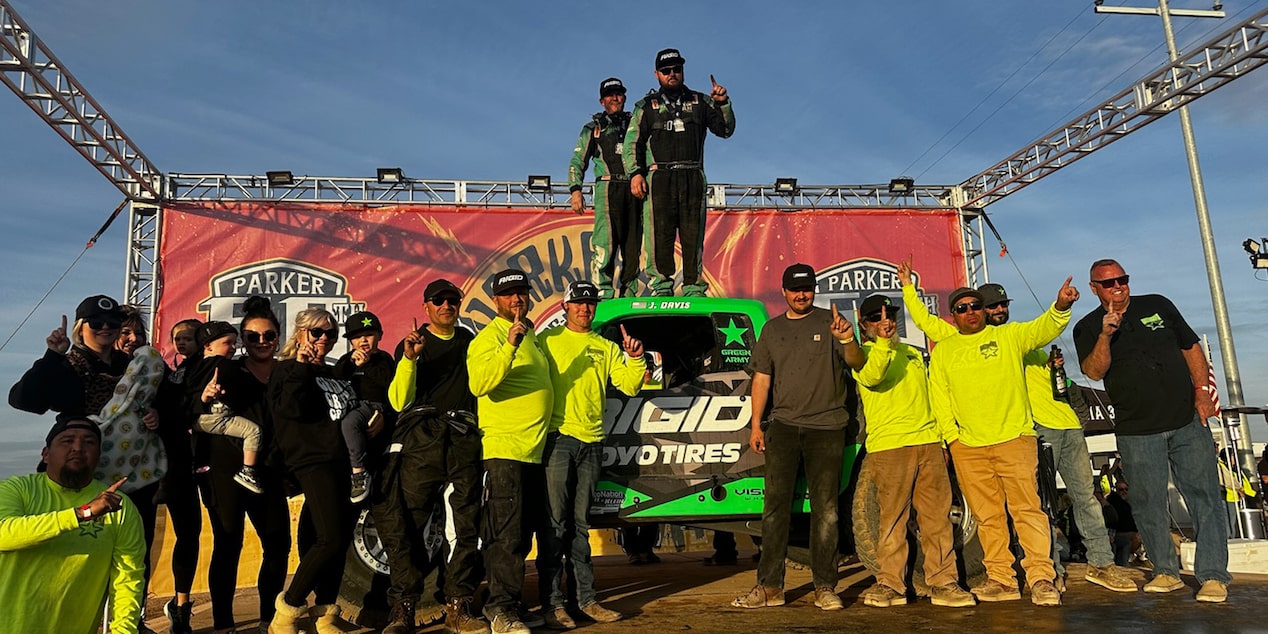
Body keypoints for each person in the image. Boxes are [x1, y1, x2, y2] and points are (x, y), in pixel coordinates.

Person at [1072, 259, 1230, 603]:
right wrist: (1106, 334)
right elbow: (1094, 372)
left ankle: (1213, 576)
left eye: (1122, 279)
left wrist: (1203, 392)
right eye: (1109, 282)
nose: (1118, 286)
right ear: (1094, 288)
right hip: (1137, 430)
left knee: (1204, 496)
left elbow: (1190, 347)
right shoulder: (1086, 327)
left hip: (1186, 420)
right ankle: (1166, 572)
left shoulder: (1158, 304)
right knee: (1146, 504)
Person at [925, 277, 1079, 607]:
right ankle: (1002, 579)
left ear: (984, 311)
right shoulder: (945, 351)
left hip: (1014, 440)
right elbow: (939, 397)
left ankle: (1041, 579)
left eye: (975, 306)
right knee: (988, 517)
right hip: (969, 447)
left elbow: (1043, 329)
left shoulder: (1009, 336)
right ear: (953, 316)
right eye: (962, 308)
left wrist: (1061, 306)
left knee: (1027, 510)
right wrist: (952, 439)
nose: (970, 312)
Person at [976, 282, 1137, 594]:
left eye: (1003, 304)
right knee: (1042, 505)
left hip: (1067, 426)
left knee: (1087, 498)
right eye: (992, 306)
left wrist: (1074, 408)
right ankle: (1049, 570)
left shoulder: (1027, 341)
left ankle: (1102, 564)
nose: (999, 310)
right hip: (1034, 429)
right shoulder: (990, 347)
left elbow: (1065, 386)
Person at [843, 293, 976, 609]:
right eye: (875, 317)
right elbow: (873, 376)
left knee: (937, 520)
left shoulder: (913, 354)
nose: (884, 322)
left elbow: (933, 397)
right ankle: (891, 585)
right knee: (892, 521)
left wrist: (942, 440)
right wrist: (883, 343)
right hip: (890, 447)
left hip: (928, 444)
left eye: (889, 316)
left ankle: (944, 584)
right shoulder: (864, 355)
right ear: (863, 324)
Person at [732, 264, 850, 611]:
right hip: (782, 428)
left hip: (827, 428)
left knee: (826, 511)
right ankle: (770, 588)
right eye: (795, 289)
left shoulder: (830, 323)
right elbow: (762, 379)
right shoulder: (772, 329)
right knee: (774, 510)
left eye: (807, 288)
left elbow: (856, 363)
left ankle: (825, 587)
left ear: (814, 289)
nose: (802, 295)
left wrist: (847, 339)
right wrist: (756, 425)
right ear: (783, 291)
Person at [379, 280, 488, 634]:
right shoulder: (413, 344)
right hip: (421, 439)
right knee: (408, 525)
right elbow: (398, 401)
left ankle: (458, 606)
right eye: (438, 300)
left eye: (452, 299)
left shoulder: (470, 341)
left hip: (462, 439)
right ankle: (403, 610)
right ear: (425, 306)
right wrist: (409, 359)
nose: (446, 305)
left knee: (464, 527)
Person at [537, 280, 645, 628]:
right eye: (579, 303)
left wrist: (635, 358)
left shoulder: (605, 346)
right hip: (557, 440)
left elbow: (629, 385)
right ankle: (552, 605)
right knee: (554, 525)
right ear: (565, 307)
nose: (585, 308)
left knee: (580, 526)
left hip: (593, 442)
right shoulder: (546, 341)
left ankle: (585, 601)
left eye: (590, 303)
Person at [194, 297, 292, 634]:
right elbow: (193, 406)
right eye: (253, 337)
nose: (262, 342)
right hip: (225, 469)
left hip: (270, 471)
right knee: (228, 544)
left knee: (278, 545)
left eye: (269, 335)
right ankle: (223, 625)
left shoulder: (287, 372)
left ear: (278, 337)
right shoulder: (227, 369)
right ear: (243, 340)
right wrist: (204, 397)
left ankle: (269, 621)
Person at [0, 413, 146, 633]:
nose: (78, 448)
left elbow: (128, 578)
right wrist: (82, 513)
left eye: (89, 442)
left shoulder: (119, 506)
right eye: (67, 441)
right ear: (46, 454)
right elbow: (4, 534)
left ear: (99, 455)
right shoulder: (16, 489)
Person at [467, 269, 554, 634]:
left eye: (522, 292)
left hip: (534, 451)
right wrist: (509, 346)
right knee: (506, 536)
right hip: (505, 450)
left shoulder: (531, 335)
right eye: (508, 294)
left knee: (524, 534)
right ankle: (499, 609)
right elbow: (479, 384)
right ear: (495, 301)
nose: (517, 299)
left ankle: (511, 603)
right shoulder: (488, 339)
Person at [268, 307, 359, 633]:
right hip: (312, 460)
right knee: (329, 539)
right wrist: (302, 367)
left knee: (338, 539)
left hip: (343, 463)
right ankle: (287, 612)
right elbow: (288, 410)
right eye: (316, 332)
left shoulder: (334, 372)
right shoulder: (286, 369)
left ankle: (325, 614)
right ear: (300, 333)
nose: (324, 338)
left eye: (330, 333)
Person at [623, 47, 735, 297]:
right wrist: (635, 173)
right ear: (657, 74)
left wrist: (722, 103)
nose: (672, 73)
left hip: (692, 174)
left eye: (676, 69)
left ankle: (693, 286)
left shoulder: (700, 101)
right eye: (666, 70)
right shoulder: (646, 106)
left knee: (692, 235)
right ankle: (661, 286)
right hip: (659, 177)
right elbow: (632, 143)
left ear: (683, 70)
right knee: (659, 235)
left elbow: (725, 130)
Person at [569, 77, 642, 299]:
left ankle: (629, 294)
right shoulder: (594, 128)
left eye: (619, 93)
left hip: (635, 188)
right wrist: (575, 190)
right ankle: (603, 292)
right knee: (605, 243)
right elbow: (577, 161)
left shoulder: (636, 124)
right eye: (610, 95)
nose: (615, 98)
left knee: (633, 246)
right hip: (608, 187)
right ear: (602, 101)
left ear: (624, 97)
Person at [154, 317, 205, 634]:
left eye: (188, 336)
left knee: (189, 534)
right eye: (177, 338)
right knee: (142, 540)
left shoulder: (208, 366)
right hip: (161, 465)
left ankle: (182, 604)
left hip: (192, 462)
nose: (181, 342)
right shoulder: (167, 373)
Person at [190, 321, 264, 493]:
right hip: (216, 416)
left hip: (198, 420)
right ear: (208, 345)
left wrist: (201, 399)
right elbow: (244, 389)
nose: (233, 348)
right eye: (227, 343)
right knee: (254, 431)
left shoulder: (193, 367)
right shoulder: (224, 364)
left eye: (234, 343)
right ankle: (248, 471)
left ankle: (197, 465)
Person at [333, 310, 394, 504]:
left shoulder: (384, 359)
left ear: (380, 335)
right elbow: (336, 377)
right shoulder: (347, 359)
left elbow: (389, 384)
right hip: (349, 406)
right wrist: (351, 363)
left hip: (374, 407)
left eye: (368, 335)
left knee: (350, 423)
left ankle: (359, 473)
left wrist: (367, 365)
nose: (363, 341)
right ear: (350, 341)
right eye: (357, 337)